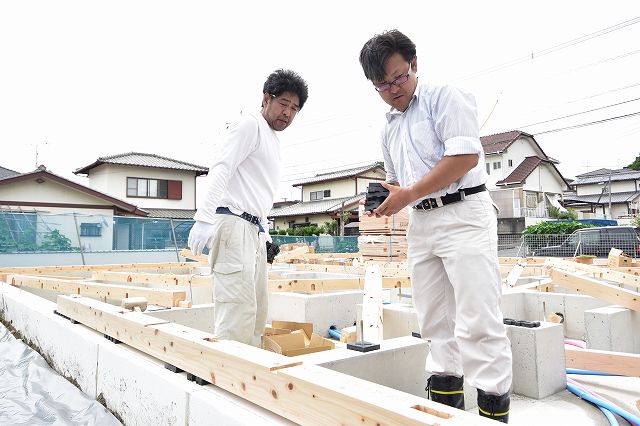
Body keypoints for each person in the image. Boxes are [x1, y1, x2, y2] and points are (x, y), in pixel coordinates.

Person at [359, 30, 512, 423]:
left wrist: (406, 193)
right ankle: (447, 410)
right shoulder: (389, 127)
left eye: (398, 77)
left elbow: (462, 158)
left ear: (415, 65)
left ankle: (493, 412)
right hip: (423, 221)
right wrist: (385, 197)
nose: (392, 89)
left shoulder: (446, 97)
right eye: (382, 85)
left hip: (463, 214)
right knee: (434, 320)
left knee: (478, 318)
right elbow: (396, 180)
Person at [188, 69, 308, 347]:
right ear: (266, 98)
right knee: (236, 312)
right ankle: (227, 380)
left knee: (254, 312)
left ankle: (248, 378)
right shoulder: (249, 125)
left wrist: (264, 233)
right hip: (232, 225)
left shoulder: (271, 139)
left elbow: (255, 192)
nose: (288, 113)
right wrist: (204, 218)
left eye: (294, 108)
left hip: (251, 229)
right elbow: (222, 168)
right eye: (283, 104)